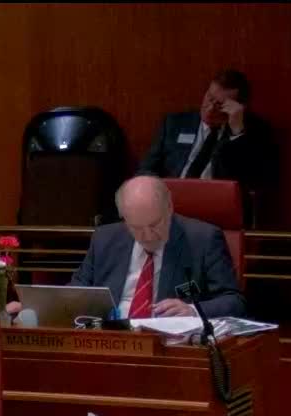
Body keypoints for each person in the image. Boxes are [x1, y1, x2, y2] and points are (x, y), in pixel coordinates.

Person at [70, 176, 245, 319]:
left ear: (169, 208)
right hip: (110, 336)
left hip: (167, 339)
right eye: (136, 227)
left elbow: (234, 301)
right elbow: (76, 291)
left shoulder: (202, 239)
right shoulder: (105, 238)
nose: (147, 236)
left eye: (154, 225)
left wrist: (192, 310)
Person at [138, 69, 277, 218]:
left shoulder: (255, 133)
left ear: (237, 108)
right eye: (210, 98)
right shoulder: (175, 123)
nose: (210, 109)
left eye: (220, 105)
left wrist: (237, 133)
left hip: (215, 211)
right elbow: (146, 169)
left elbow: (250, 182)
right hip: (169, 205)